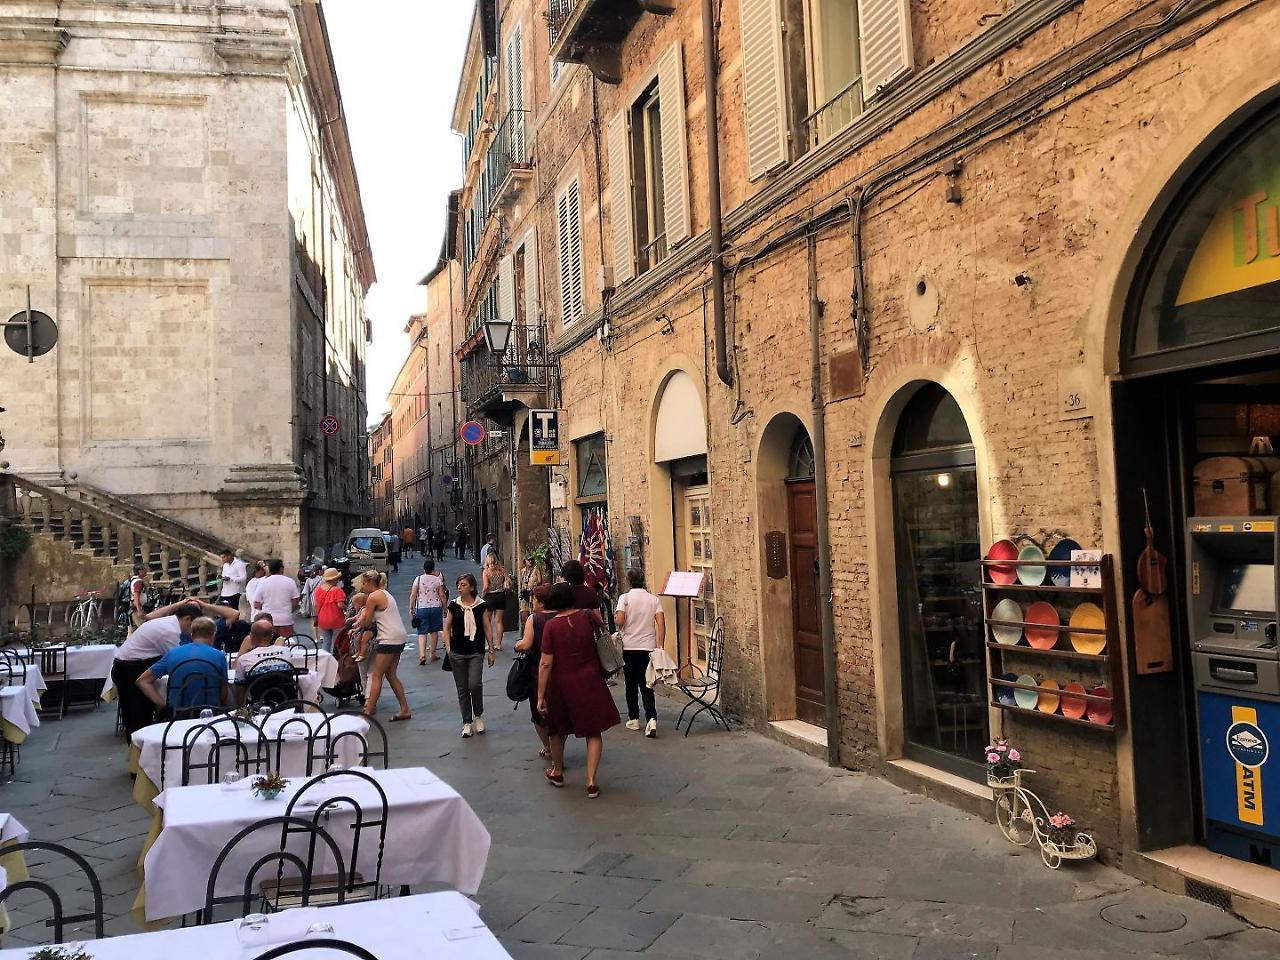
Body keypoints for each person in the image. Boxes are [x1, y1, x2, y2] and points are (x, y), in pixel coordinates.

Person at [538, 582, 621, 798]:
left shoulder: (551, 626)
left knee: (557, 729)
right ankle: (591, 781)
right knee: (593, 730)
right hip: (590, 679)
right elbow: (603, 633)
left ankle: (557, 771)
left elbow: (546, 663)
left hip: (562, 682)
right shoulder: (587, 617)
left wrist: (540, 695)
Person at [113, 599, 202, 735]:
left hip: (136, 663)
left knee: (144, 712)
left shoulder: (170, 621)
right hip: (129, 668)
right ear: (187, 619)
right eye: (193, 627)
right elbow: (180, 661)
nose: (191, 632)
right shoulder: (170, 632)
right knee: (137, 717)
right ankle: (138, 749)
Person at [135, 615, 226, 718]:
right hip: (210, 712)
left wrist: (164, 704)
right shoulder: (219, 656)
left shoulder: (173, 653)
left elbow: (142, 681)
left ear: (192, 635)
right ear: (213, 635)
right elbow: (223, 692)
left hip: (177, 713)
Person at [615, 568, 666, 738]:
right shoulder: (653, 600)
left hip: (630, 647)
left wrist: (617, 620)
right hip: (648, 647)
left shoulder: (625, 598)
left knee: (630, 684)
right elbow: (660, 622)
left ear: (629, 581)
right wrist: (660, 645)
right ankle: (651, 718)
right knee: (647, 685)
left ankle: (634, 718)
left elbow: (620, 621)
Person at [354, 571, 411, 721]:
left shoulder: (373, 597)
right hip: (399, 635)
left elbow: (366, 623)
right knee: (391, 674)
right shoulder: (385, 593)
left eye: (363, 583)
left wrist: (360, 618)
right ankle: (404, 709)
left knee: (376, 675)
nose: (362, 587)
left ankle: (368, 711)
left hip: (389, 638)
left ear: (368, 583)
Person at [444, 573, 493, 738]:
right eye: (458, 584)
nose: (459, 587)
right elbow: (447, 627)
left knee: (474, 684)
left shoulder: (481, 606)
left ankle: (478, 715)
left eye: (463, 584)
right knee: (462, 689)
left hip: (476, 651)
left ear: (471, 587)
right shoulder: (453, 605)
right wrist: (449, 649)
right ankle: (467, 722)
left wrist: (491, 650)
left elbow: (487, 627)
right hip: (457, 652)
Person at [515, 584, 553, 760]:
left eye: (534, 600)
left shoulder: (535, 619)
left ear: (539, 601)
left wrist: (517, 645)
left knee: (538, 711)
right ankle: (557, 743)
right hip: (560, 668)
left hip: (538, 668)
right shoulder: (561, 615)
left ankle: (548, 746)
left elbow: (526, 644)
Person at [410, 559, 447, 665]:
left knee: (422, 632)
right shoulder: (437, 580)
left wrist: (411, 608)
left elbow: (413, 594)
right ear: (433, 569)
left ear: (424, 569)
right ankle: (433, 654)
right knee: (434, 631)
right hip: (435, 607)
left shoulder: (418, 579)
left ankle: (422, 655)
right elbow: (442, 595)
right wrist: (445, 608)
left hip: (421, 607)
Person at [253, 559, 300, 638]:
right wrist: (288, 609)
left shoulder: (263, 583)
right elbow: (295, 603)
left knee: (267, 645)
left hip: (267, 620)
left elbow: (256, 604)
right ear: (281, 569)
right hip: (285, 620)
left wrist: (266, 607)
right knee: (286, 644)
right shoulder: (290, 582)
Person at [311, 567, 348, 654]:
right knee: (337, 641)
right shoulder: (337, 590)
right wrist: (346, 608)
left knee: (326, 641)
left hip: (323, 619)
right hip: (336, 619)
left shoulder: (319, 590)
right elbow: (340, 605)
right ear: (335, 579)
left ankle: (325, 658)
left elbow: (316, 605)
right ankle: (336, 660)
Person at [481, 554, 512, 652]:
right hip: (501, 596)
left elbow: (486, 587)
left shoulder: (486, 572)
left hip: (490, 597)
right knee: (499, 621)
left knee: (488, 622)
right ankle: (498, 644)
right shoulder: (502, 570)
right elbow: (509, 581)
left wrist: (482, 595)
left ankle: (490, 645)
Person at [560, 559, 603, 626]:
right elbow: (597, 616)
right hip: (587, 628)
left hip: (567, 628)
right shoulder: (591, 592)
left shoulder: (563, 593)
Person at [518, 556, 544, 633]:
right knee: (524, 614)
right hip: (525, 594)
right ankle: (526, 633)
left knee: (533, 613)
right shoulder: (523, 571)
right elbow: (521, 582)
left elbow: (540, 581)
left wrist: (534, 585)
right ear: (525, 561)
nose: (530, 561)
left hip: (533, 594)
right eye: (528, 560)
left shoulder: (536, 570)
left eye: (531, 560)